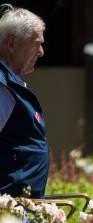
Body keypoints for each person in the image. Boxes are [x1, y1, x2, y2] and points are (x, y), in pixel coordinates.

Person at [0, 4, 47, 198]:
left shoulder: (11, 84)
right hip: (9, 212)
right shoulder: (2, 87)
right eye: (36, 43)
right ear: (11, 44)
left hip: (21, 209)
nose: (41, 51)